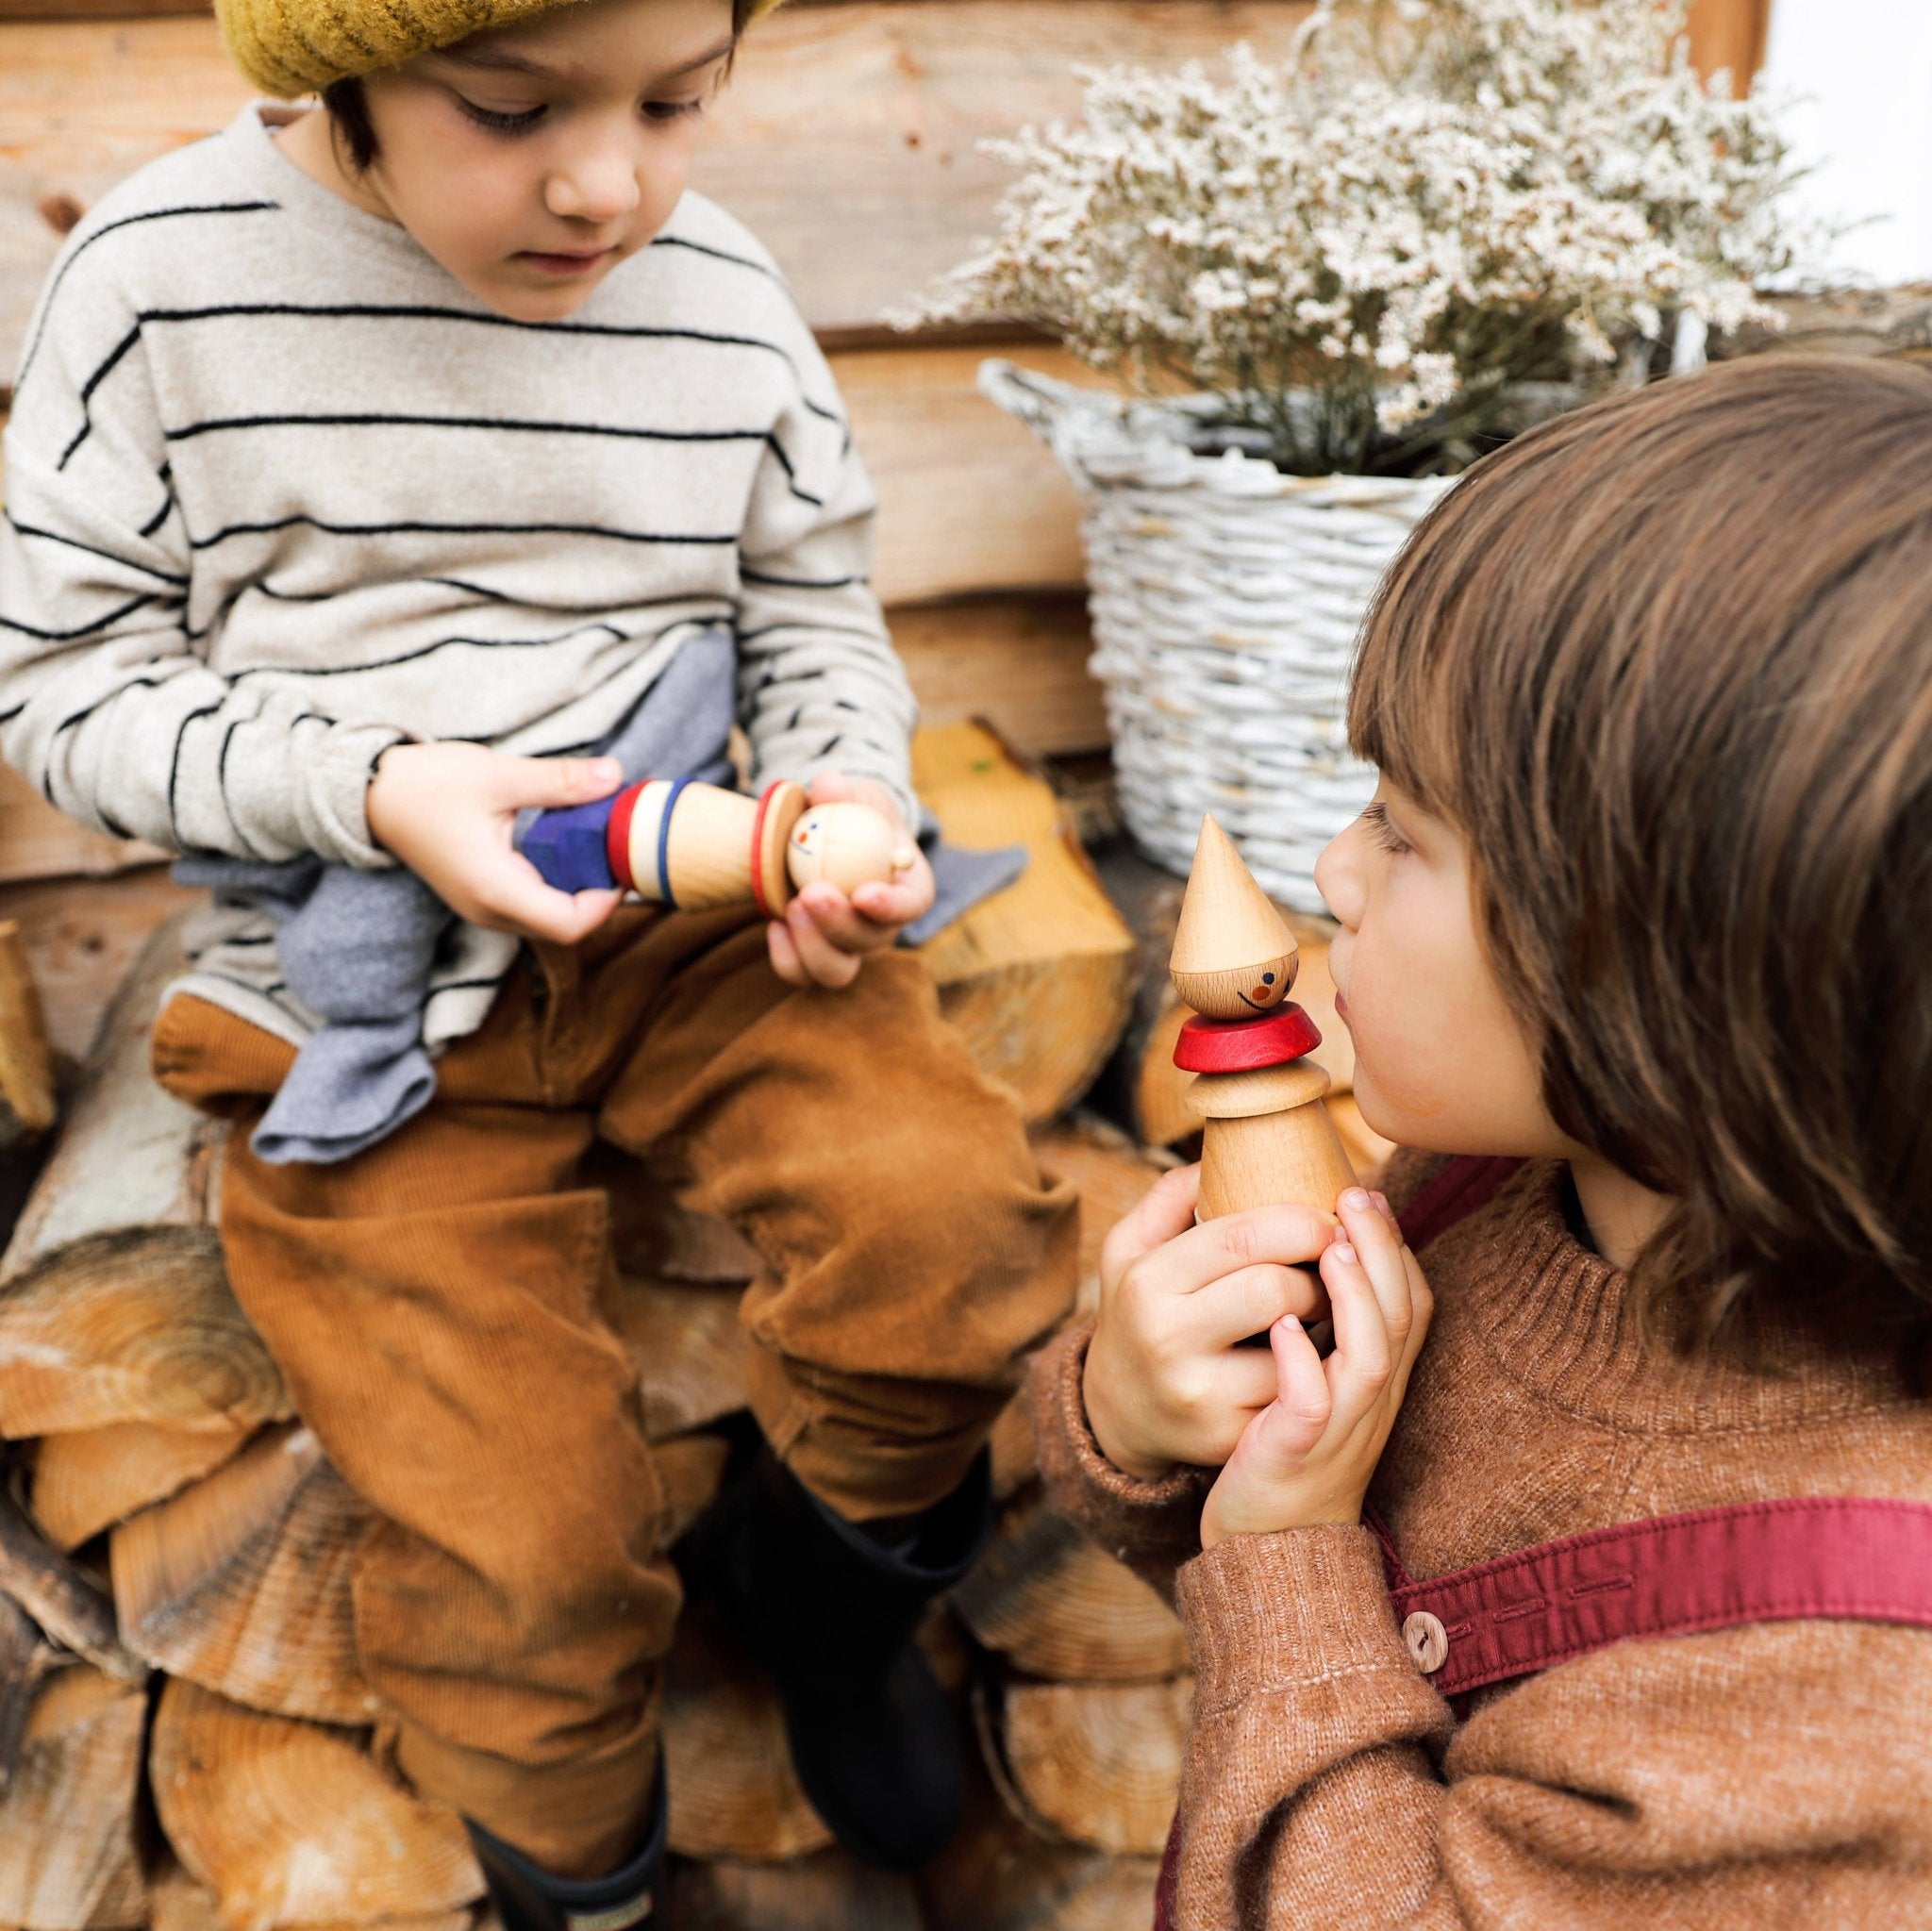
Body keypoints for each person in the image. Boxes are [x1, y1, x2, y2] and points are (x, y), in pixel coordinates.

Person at [0, 1, 1075, 1923]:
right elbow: (64, 688)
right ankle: (583, 1875)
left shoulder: (715, 288)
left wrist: (834, 796)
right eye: (512, 110)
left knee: (947, 1227)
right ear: (338, 71)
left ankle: (827, 1608)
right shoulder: (164, 285)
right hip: (356, 985)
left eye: (679, 102)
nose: (609, 182)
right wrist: (378, 784)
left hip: (692, 919)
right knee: (521, 1549)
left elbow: (806, 607)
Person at [1038, 356, 1932, 1927]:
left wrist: (1288, 1566)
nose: (1335, 867)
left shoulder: (1837, 1701)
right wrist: (1144, 1416)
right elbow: (1285, 1498)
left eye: (1404, 828)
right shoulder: (1520, 1182)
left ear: (1678, 965)